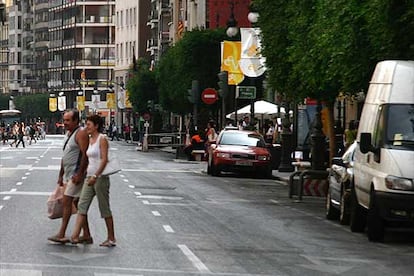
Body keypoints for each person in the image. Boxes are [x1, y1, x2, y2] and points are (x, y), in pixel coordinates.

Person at [71, 114, 116, 247]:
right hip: (88, 177)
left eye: (89, 125)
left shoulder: (102, 139)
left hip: (100, 178)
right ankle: (74, 236)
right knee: (81, 205)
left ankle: (111, 237)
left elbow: (104, 159)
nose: (87, 127)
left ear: (96, 126)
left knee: (104, 208)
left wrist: (96, 176)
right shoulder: (90, 139)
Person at [48, 109, 91, 244]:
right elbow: (65, 155)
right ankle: (87, 234)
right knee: (77, 204)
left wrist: (79, 174)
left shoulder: (81, 133)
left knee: (67, 202)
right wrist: (61, 174)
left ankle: (61, 233)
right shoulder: (69, 134)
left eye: (68, 120)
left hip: (75, 175)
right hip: (68, 175)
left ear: (76, 121)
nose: (65, 123)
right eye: (64, 120)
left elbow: (85, 155)